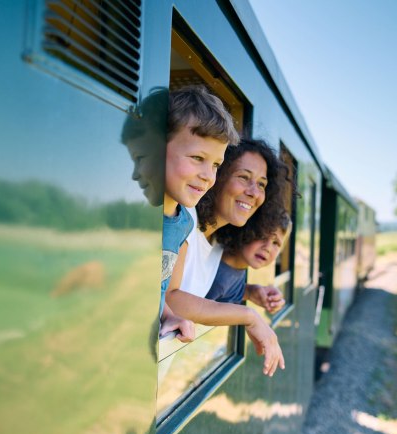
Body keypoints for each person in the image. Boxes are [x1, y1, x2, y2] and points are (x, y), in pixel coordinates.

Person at [166, 138, 295, 377]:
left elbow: (210, 289)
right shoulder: (186, 219)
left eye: (262, 184)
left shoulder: (216, 245)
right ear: (219, 175)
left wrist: (249, 291)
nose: (253, 192)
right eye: (244, 177)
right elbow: (170, 299)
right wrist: (249, 317)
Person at [124, 86, 240, 343]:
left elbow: (158, 289)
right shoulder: (134, 217)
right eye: (197, 157)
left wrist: (168, 314)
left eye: (216, 165)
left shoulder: (184, 222)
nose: (208, 175)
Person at [206, 209, 291, 313]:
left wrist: (250, 292)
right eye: (262, 236)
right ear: (246, 230)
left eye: (276, 243)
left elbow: (231, 289)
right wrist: (249, 317)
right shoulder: (217, 277)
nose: (268, 248)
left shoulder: (236, 270)